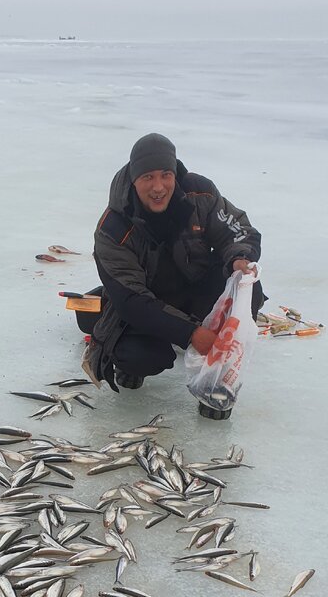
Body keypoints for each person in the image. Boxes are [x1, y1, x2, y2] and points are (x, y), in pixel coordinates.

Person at [81, 133, 264, 419]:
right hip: (146, 302)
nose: (158, 187)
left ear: (175, 174)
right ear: (133, 179)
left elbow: (238, 229)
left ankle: (215, 384)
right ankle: (127, 365)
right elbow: (131, 300)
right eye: (147, 178)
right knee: (140, 357)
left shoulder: (199, 193)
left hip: (194, 287)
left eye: (165, 175)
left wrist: (240, 258)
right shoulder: (112, 228)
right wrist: (191, 333)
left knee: (246, 284)